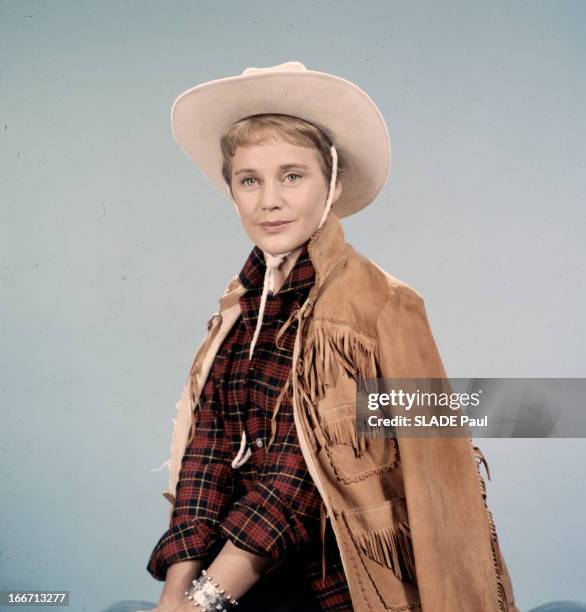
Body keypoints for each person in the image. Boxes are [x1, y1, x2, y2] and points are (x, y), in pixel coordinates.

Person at [145, 61, 519, 612]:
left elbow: (298, 478)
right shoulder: (240, 310)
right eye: (250, 180)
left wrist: (202, 602)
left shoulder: (383, 305)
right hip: (241, 575)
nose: (269, 199)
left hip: (348, 585)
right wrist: (174, 594)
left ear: (333, 183)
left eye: (292, 175)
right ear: (232, 192)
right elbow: (207, 451)